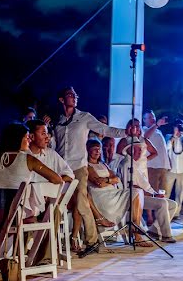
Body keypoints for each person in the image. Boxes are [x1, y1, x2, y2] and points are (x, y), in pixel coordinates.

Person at [50, 87, 126, 250]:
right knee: (57, 203)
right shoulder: (58, 120)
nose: (74, 97)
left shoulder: (84, 117)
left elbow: (105, 130)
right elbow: (55, 145)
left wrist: (127, 133)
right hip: (62, 168)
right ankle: (53, 241)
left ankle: (91, 239)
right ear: (62, 100)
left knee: (81, 201)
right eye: (70, 95)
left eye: (75, 95)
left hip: (78, 167)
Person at [0, 123, 65, 236]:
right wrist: (34, 188)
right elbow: (57, 179)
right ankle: (32, 251)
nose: (29, 141)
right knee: (39, 216)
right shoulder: (28, 159)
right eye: (26, 138)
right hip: (14, 217)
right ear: (17, 139)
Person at [27, 119, 114, 237]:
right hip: (29, 202)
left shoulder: (51, 154)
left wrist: (53, 183)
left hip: (51, 200)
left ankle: (71, 238)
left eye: (47, 133)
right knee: (76, 198)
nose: (47, 137)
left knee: (75, 197)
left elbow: (70, 174)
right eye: (43, 134)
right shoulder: (24, 156)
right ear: (31, 136)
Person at [116, 119, 178, 243]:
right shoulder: (127, 163)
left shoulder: (142, 145)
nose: (139, 152)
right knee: (162, 203)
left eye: (140, 150)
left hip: (142, 184)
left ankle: (155, 230)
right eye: (135, 150)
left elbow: (154, 153)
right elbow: (133, 185)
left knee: (172, 204)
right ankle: (166, 235)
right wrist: (153, 193)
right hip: (133, 195)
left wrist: (143, 159)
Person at [85, 140, 149, 247]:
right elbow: (98, 183)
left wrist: (107, 180)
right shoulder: (87, 166)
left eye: (99, 149)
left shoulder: (103, 164)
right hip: (102, 197)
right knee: (135, 192)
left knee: (137, 192)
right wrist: (110, 180)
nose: (97, 151)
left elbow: (117, 179)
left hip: (113, 193)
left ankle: (136, 228)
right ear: (88, 150)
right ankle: (136, 233)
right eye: (94, 149)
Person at [165, 123, 183, 219]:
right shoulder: (169, 137)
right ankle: (165, 211)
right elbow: (167, 147)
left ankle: (176, 213)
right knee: (166, 192)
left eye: (180, 128)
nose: (179, 130)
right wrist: (174, 136)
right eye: (177, 127)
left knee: (180, 193)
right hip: (170, 169)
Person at [142, 110, 171, 194]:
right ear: (144, 120)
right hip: (152, 167)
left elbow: (163, 149)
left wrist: (168, 163)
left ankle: (162, 207)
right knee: (152, 193)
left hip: (163, 167)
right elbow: (145, 137)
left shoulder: (158, 131)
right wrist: (157, 125)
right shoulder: (143, 129)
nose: (153, 119)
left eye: (153, 117)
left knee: (163, 194)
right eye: (150, 117)